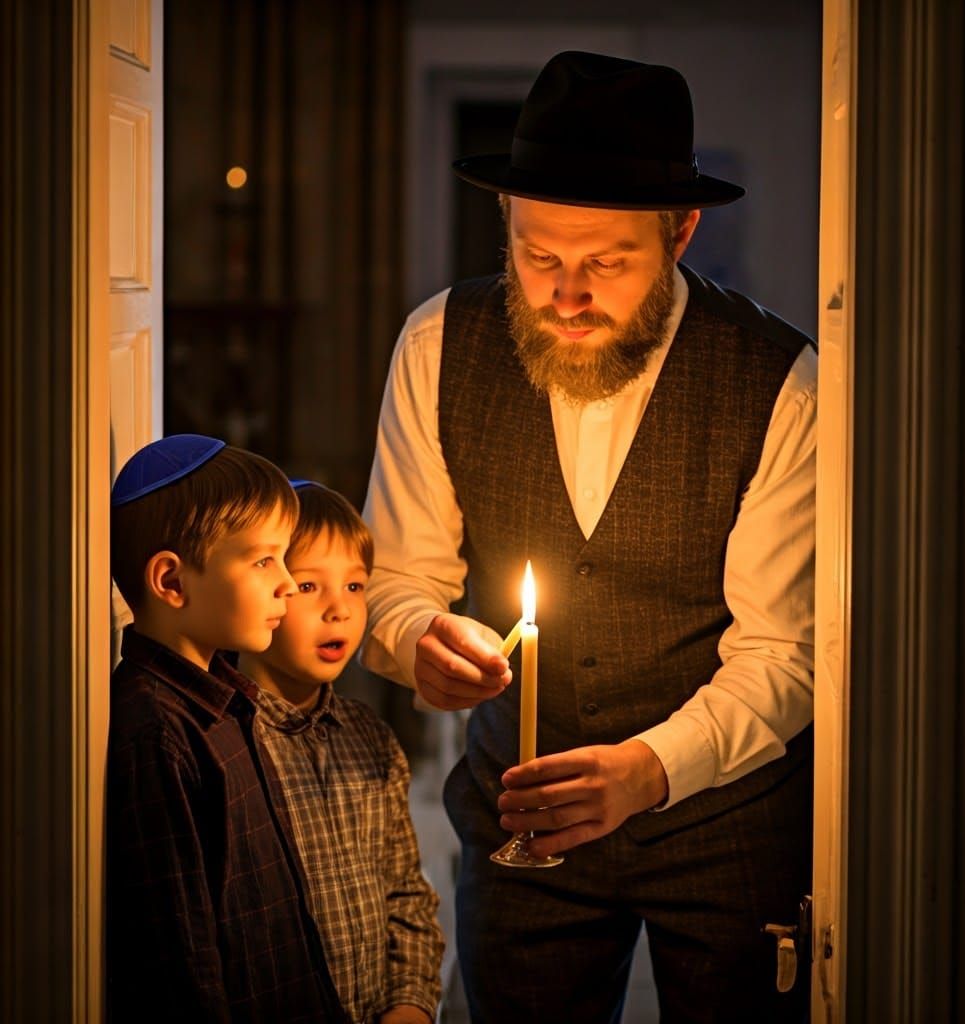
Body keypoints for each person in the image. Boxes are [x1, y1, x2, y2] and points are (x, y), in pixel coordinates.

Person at [362, 50, 816, 1023]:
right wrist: (414, 643)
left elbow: (784, 650)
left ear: (682, 232)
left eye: (606, 262)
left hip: (726, 824)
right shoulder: (439, 345)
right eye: (537, 255)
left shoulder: (779, 378)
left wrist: (652, 767)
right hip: (517, 815)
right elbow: (396, 577)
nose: (564, 293)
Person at [106, 434, 345, 1022]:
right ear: (171, 582)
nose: (288, 583)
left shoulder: (226, 701)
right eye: (265, 560)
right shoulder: (156, 731)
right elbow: (181, 964)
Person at [236, 480, 443, 1024]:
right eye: (308, 586)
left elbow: (407, 899)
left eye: (355, 586)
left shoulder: (371, 742)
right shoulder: (229, 745)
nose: (339, 610)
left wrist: (411, 1005)